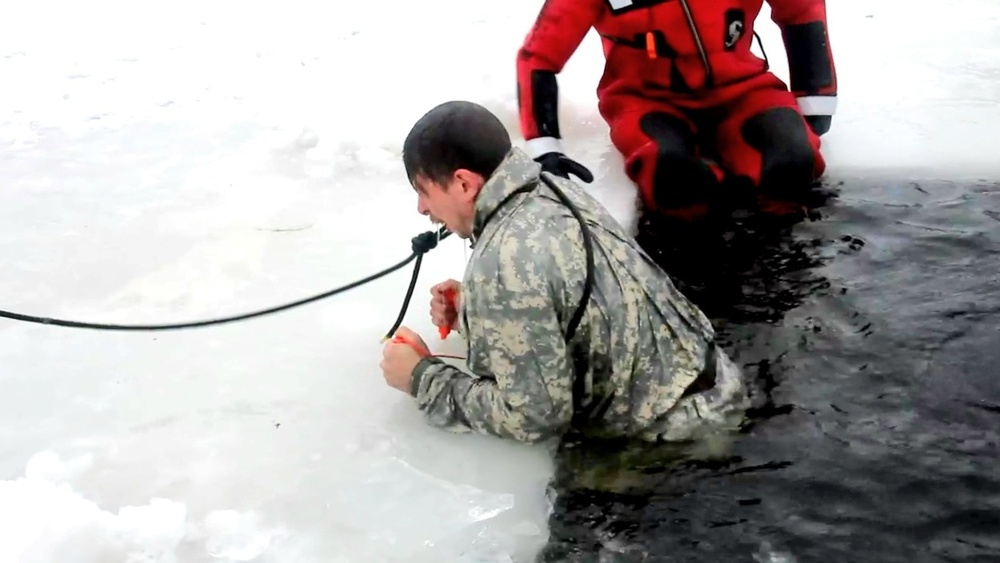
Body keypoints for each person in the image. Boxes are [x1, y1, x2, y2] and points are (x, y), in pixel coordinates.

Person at [379, 100, 751, 446]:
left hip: (675, 440)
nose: (421, 208)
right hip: (720, 383)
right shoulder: (552, 190)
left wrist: (422, 378)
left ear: (463, 183)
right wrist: (479, 313)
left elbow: (534, 418)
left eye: (423, 191)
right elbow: (578, 304)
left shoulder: (504, 263)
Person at [515, 0, 837, 219]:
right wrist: (545, 149)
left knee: (792, 163)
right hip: (647, 100)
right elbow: (539, 56)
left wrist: (815, 96)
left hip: (743, 89)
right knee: (676, 181)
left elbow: (800, 8)